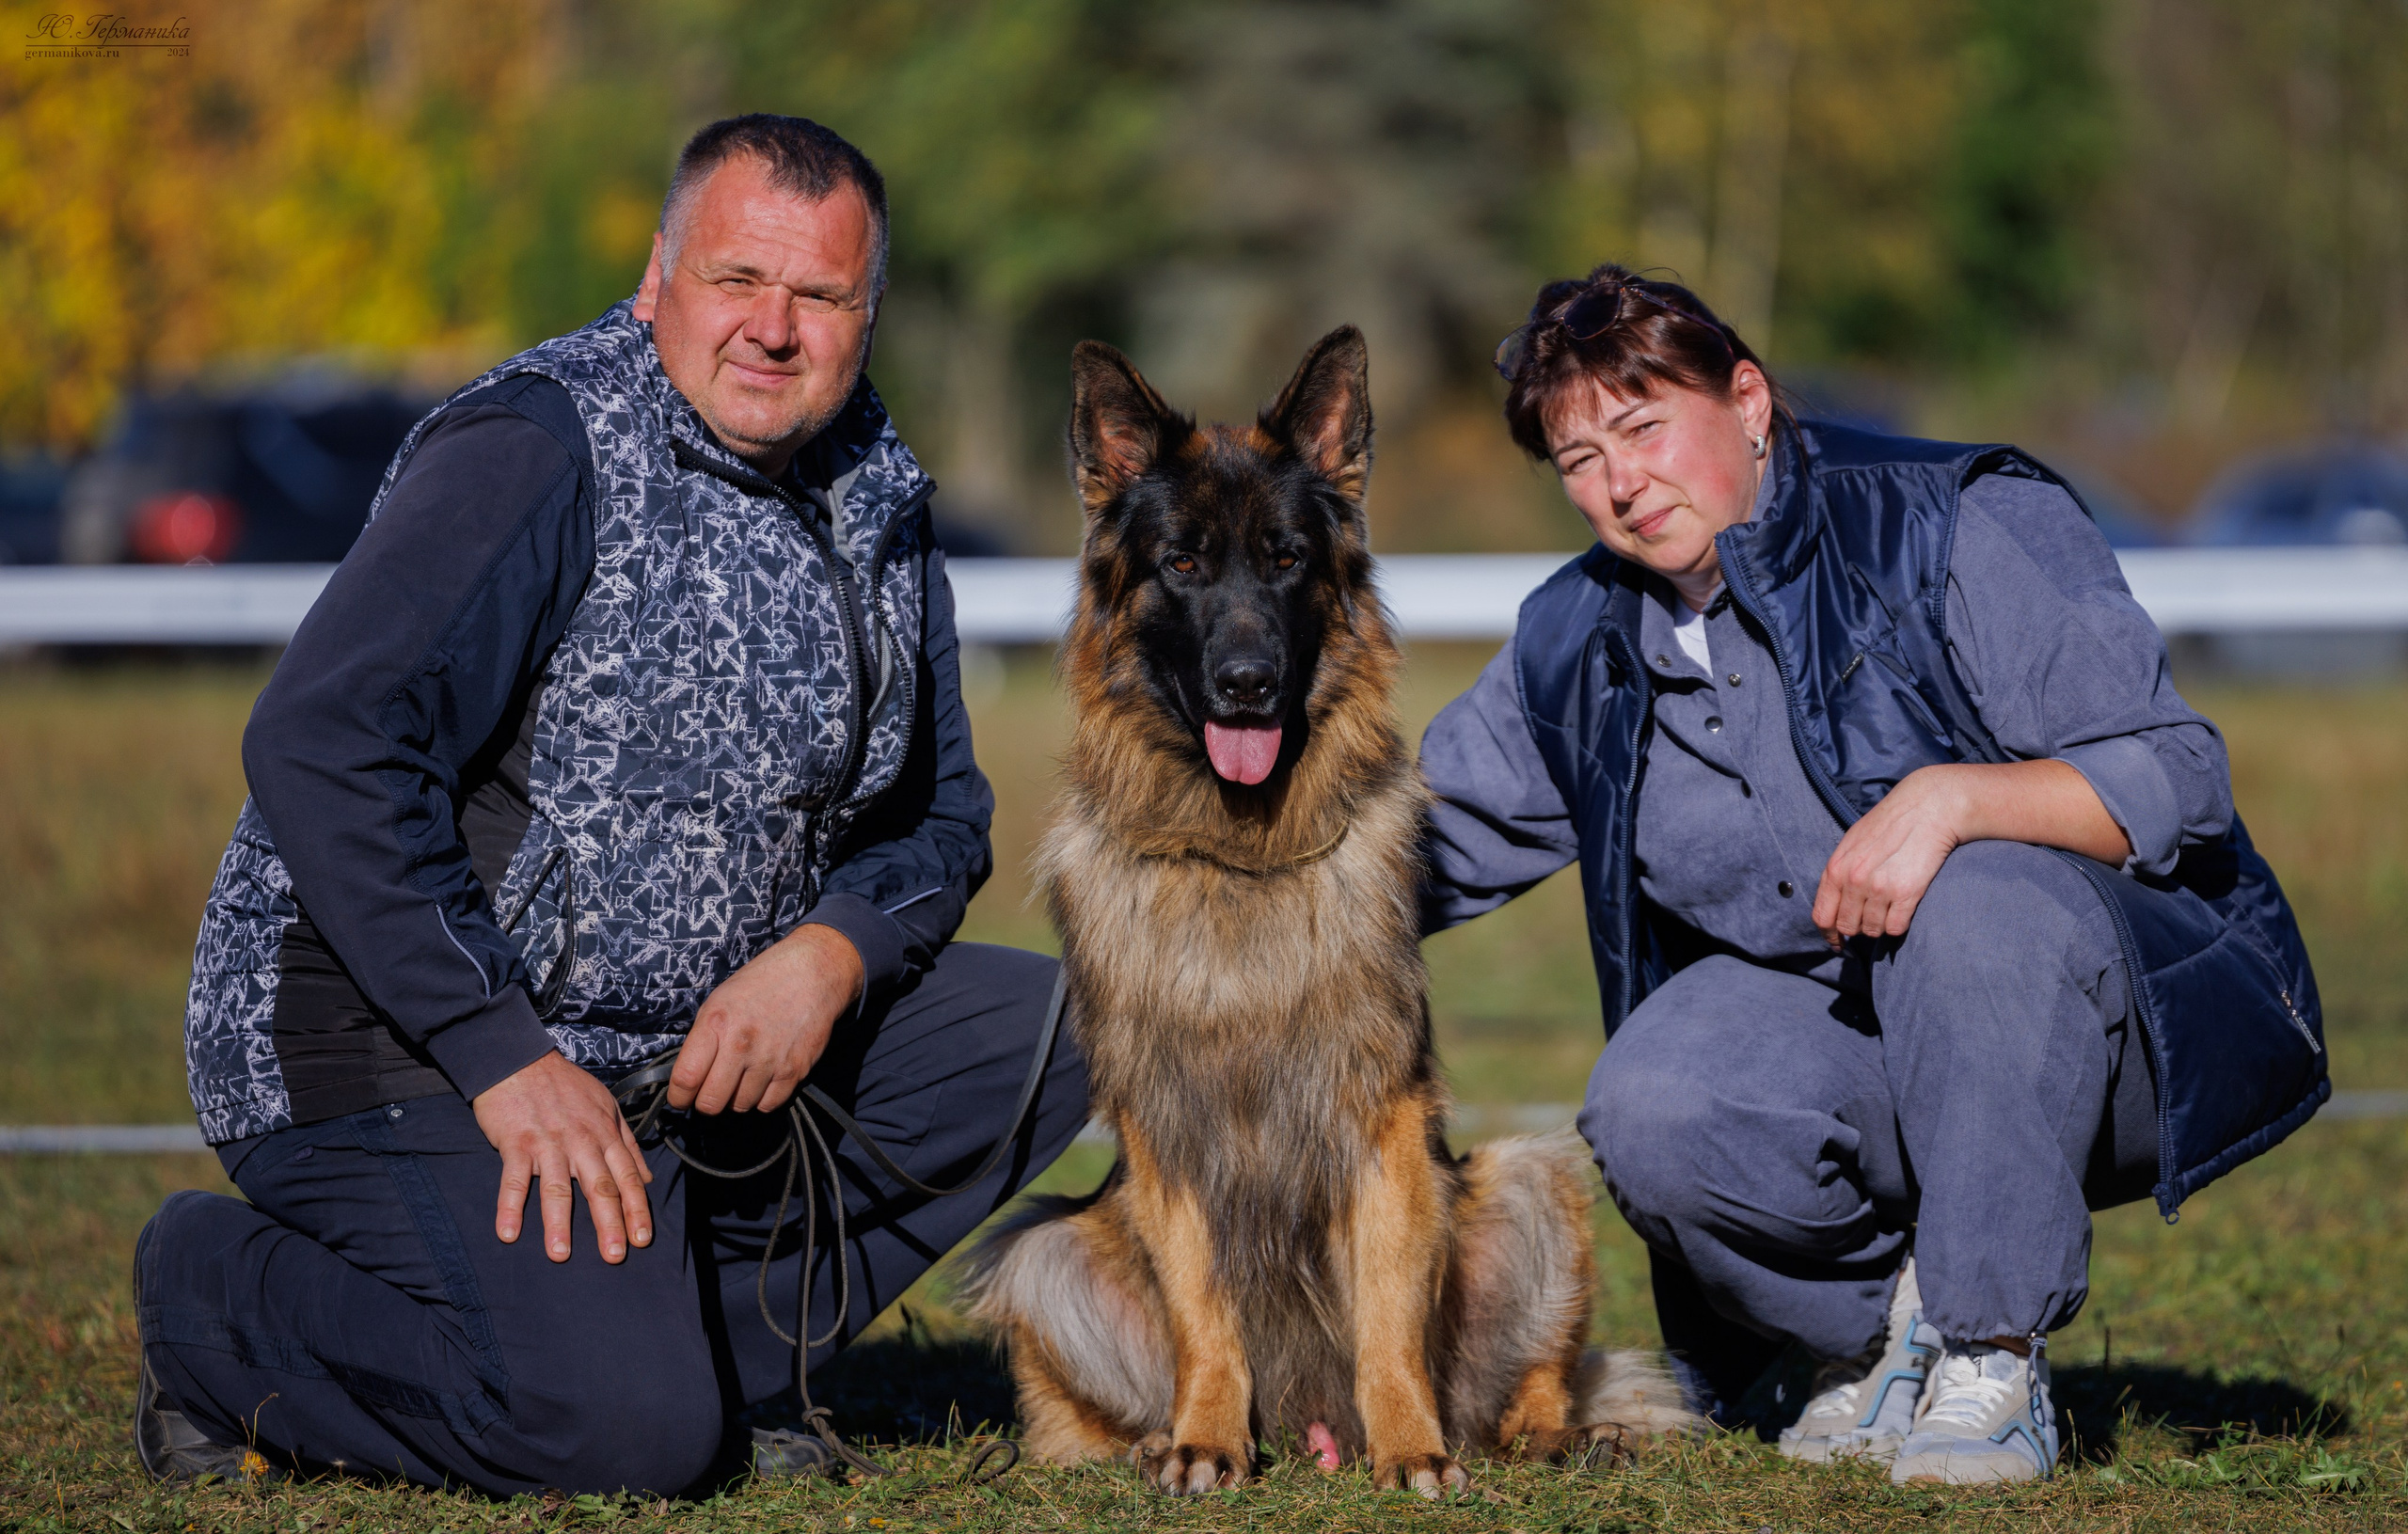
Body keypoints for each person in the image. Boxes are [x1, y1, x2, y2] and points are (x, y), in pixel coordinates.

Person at [134, 115, 1089, 1497]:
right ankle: (211, 1300)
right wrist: (498, 1050)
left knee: (1073, 1023)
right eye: (735, 278)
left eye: (820, 295)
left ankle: (722, 1370)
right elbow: (322, 740)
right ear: (656, 277)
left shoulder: (878, 486)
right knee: (618, 1440)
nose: (773, 329)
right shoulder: (536, 446)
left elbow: (940, 820)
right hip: (397, 1042)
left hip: (676, 1059)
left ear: (868, 315)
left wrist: (829, 958)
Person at [1418, 265, 2326, 1485]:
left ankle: (1990, 1356)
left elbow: (2179, 773)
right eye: (1579, 460)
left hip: (2109, 1033)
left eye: (1643, 428)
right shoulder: (1575, 636)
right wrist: (1203, 895)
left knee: (1975, 899)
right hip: (1848, 1060)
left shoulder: (1951, 522)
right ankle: (1877, 1337)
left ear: (1748, 402)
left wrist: (1956, 799)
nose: (1620, 483)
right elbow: (1409, 849)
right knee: (1651, 1098)